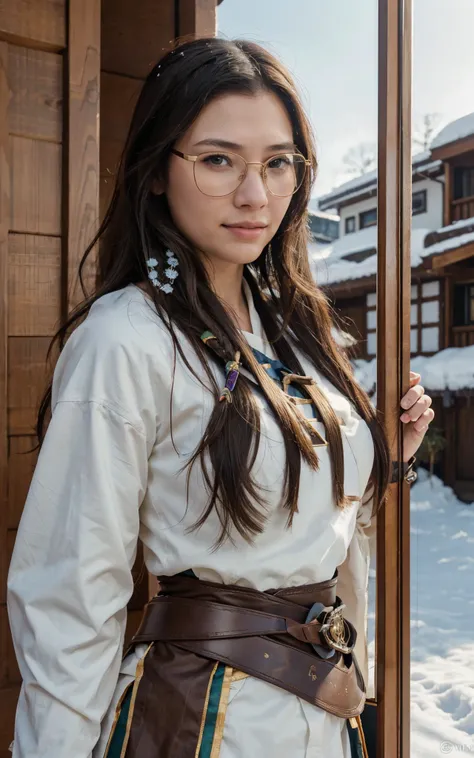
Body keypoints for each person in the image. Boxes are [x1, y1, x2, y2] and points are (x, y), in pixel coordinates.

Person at [7, 37, 434, 758]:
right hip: (206, 721)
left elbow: (300, 534)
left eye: (278, 163)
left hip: (325, 718)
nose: (255, 195)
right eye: (217, 160)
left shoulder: (303, 333)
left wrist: (376, 463)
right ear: (154, 171)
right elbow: (72, 591)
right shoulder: (126, 339)